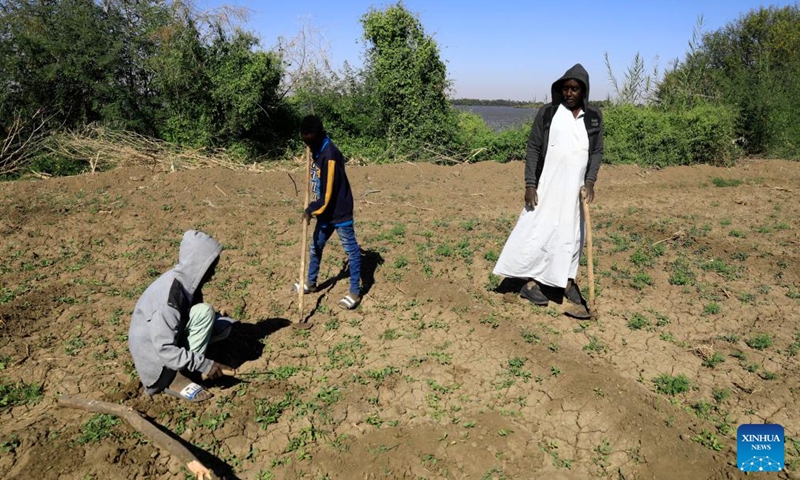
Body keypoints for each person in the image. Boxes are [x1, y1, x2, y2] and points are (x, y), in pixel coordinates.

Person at [493, 64, 603, 318]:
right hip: (548, 186)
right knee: (539, 230)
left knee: (571, 235)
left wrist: (590, 181)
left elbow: (596, 152)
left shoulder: (594, 117)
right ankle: (530, 283)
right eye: (565, 88)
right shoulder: (548, 114)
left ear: (583, 90)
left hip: (575, 192)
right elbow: (533, 148)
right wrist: (530, 184)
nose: (569, 93)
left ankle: (565, 279)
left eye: (574, 88)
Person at [128, 230, 236, 402]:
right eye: (211, 268)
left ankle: (187, 364)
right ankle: (178, 376)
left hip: (169, 342)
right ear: (198, 265)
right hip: (158, 366)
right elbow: (164, 348)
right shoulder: (167, 301)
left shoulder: (186, 282)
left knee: (224, 327)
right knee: (206, 313)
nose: (213, 274)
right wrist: (205, 365)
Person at [295, 115, 362, 310]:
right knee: (316, 246)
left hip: (338, 211)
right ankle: (311, 282)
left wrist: (311, 210)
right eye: (304, 140)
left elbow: (329, 193)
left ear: (318, 135)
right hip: (324, 211)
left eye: (309, 140)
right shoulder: (316, 149)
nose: (307, 144)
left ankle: (355, 292)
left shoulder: (330, 155)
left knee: (351, 251)